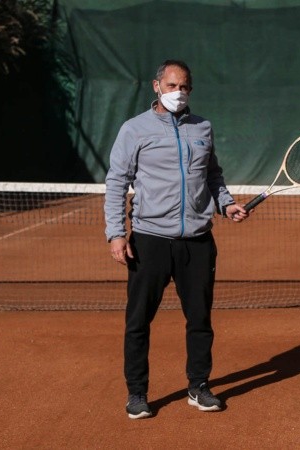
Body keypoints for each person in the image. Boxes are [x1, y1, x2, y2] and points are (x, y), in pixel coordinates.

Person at [104, 60, 249, 419]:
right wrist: (116, 233)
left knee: (199, 320)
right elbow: (116, 182)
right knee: (138, 321)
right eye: (171, 86)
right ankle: (137, 393)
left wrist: (226, 204)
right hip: (150, 240)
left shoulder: (203, 127)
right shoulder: (134, 130)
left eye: (184, 87)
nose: (178, 93)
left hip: (197, 242)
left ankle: (198, 386)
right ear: (157, 86)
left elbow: (212, 175)